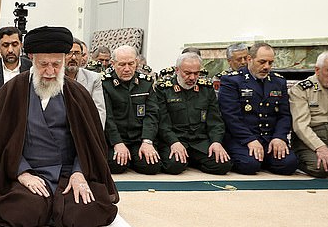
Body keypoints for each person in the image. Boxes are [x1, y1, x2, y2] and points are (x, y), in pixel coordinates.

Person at [0, 26, 118, 227]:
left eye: (56, 64)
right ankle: (47, 205)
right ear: (32, 59)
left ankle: (56, 204)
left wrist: (79, 173)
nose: (50, 72)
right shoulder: (11, 92)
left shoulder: (77, 94)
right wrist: (22, 173)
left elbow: (90, 142)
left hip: (67, 173)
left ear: (64, 61)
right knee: (25, 211)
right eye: (44, 64)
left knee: (82, 212)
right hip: (27, 171)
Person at [218, 42, 298, 175]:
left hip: (269, 138)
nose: (266, 67)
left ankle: (265, 158)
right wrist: (250, 140)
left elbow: (284, 115)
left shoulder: (278, 82)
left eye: (270, 62)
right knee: (249, 165)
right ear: (249, 59)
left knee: (290, 164)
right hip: (243, 139)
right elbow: (230, 117)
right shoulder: (232, 81)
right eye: (262, 62)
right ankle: (259, 159)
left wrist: (279, 137)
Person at [156, 52, 232, 175]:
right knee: (174, 166)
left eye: (196, 73)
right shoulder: (164, 90)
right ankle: (186, 160)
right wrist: (174, 142)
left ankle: (193, 160)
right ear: (177, 70)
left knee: (223, 165)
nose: (192, 78)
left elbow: (215, 121)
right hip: (176, 139)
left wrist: (216, 142)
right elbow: (162, 123)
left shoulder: (206, 89)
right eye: (187, 73)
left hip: (199, 141)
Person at [102, 45, 161, 175]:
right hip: (116, 138)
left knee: (151, 166)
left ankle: (133, 157)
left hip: (138, 138)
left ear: (136, 63)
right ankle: (127, 158)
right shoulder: (105, 84)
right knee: (115, 166)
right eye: (122, 64)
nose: (127, 69)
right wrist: (117, 143)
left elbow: (152, 114)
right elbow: (108, 118)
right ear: (113, 64)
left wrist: (147, 141)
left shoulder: (146, 83)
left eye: (131, 64)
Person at [0, 27, 32, 106]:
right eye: (5, 45)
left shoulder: (31, 68)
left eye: (14, 44)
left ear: (21, 45)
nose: (10, 50)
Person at [64, 37, 106, 128]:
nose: (73, 57)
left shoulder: (94, 78)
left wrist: (94, 136)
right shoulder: (53, 78)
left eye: (77, 53)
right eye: (69, 53)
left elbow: (99, 112)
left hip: (85, 129)